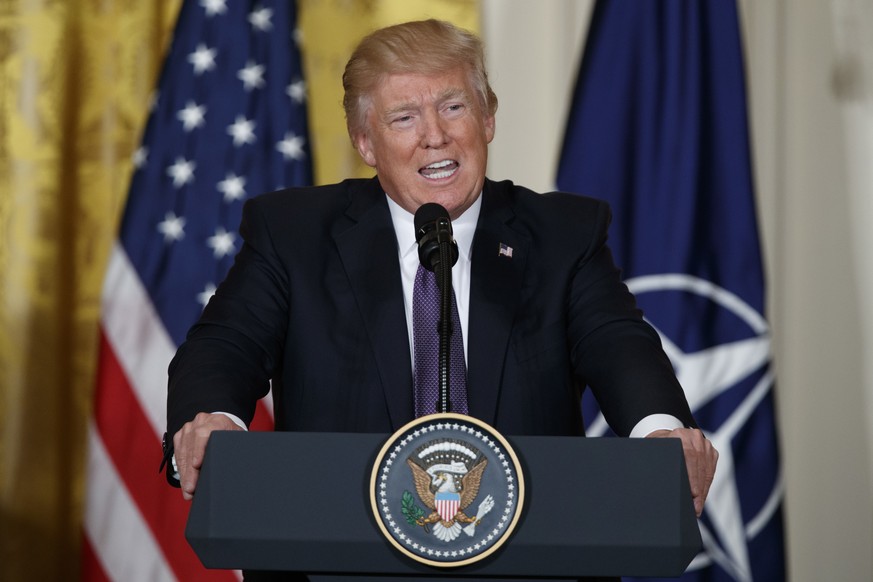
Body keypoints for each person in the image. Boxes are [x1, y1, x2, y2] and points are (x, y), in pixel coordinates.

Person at [164, 18, 717, 581]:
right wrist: (214, 419)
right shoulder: (294, 233)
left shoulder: (562, 234)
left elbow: (617, 341)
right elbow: (226, 343)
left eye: (453, 107)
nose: (435, 136)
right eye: (404, 117)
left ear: (488, 118)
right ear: (364, 142)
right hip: (329, 564)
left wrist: (658, 431)